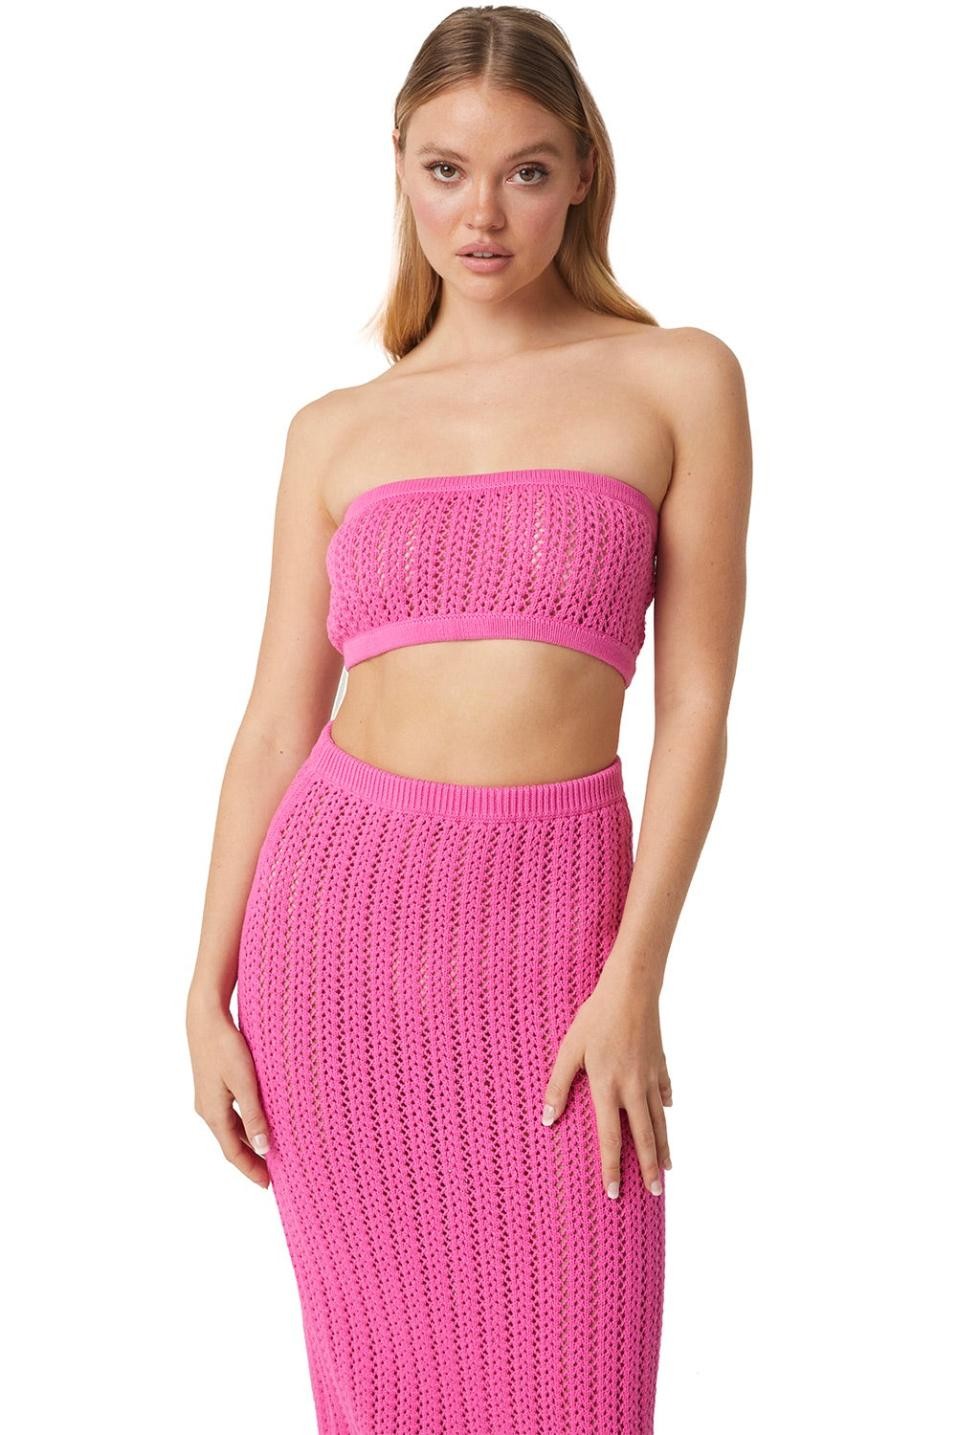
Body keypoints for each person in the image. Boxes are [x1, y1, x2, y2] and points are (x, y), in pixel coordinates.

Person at [186, 6, 751, 1431]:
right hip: (334, 939)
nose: (482, 214)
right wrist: (203, 989)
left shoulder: (678, 378)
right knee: (381, 1394)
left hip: (556, 933)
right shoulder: (334, 429)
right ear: (400, 169)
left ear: (581, 175)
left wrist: (633, 977)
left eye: (524, 171)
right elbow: (273, 725)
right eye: (446, 170)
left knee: (579, 1385)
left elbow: (694, 706)